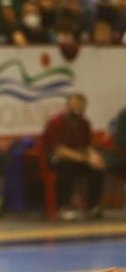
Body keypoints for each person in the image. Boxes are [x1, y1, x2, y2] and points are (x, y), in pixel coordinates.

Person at [42, 92, 106, 221]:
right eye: (74, 106)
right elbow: (60, 150)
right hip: (55, 157)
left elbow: (87, 146)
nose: (77, 109)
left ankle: (92, 205)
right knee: (66, 167)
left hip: (78, 157)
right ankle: (64, 207)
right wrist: (85, 159)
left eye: (80, 107)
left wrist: (95, 158)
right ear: (68, 106)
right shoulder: (56, 122)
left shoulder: (84, 123)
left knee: (97, 168)